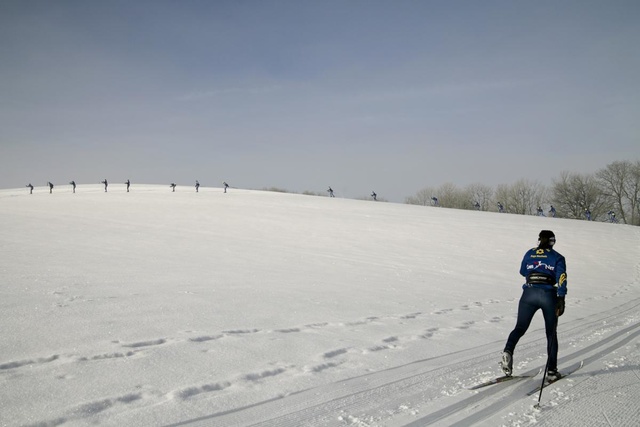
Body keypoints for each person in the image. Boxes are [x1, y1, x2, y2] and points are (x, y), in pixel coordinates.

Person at [501, 230, 567, 381]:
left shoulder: (529, 253)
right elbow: (562, 278)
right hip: (548, 295)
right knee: (551, 333)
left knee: (519, 328)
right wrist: (561, 298)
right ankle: (551, 370)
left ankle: (508, 351)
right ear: (553, 242)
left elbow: (523, 271)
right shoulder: (558, 257)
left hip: (529, 293)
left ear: (538, 240)